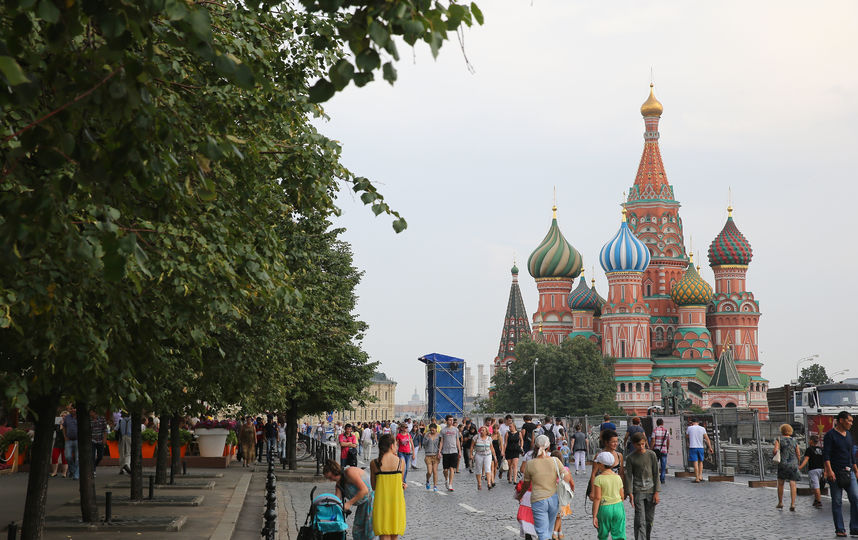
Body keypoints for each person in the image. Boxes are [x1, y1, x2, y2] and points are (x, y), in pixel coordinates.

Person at [523, 435, 573, 540]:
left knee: (542, 532)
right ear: (549, 447)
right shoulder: (555, 461)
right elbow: (567, 478)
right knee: (549, 530)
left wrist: (520, 495)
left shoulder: (530, 464)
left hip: (538, 499)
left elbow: (526, 485)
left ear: (535, 447)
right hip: (553, 499)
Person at [823, 411, 858, 537]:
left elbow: (851, 453)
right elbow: (826, 455)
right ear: (841, 420)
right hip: (835, 472)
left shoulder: (848, 435)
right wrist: (829, 470)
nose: (851, 423)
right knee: (837, 501)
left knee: (855, 498)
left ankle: (855, 527)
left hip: (849, 471)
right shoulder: (830, 435)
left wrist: (855, 467)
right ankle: (840, 529)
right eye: (849, 421)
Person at [324, 459, 374, 540]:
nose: (330, 480)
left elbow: (364, 490)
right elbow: (336, 500)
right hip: (363, 504)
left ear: (335, 472)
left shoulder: (350, 472)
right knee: (358, 530)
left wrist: (349, 503)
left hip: (372, 501)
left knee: (370, 530)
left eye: (330, 477)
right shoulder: (339, 483)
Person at [625, 432, 660, 540]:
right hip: (638, 490)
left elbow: (656, 473)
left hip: (651, 490)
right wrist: (629, 492)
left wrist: (656, 492)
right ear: (634, 444)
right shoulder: (630, 458)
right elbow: (628, 476)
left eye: (643, 444)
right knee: (640, 519)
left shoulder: (651, 455)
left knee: (649, 520)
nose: (641, 446)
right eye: (638, 445)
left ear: (645, 442)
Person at [370, 434, 406, 539]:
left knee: (384, 533)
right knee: (395, 533)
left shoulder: (374, 463)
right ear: (391, 446)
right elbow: (400, 482)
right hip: (396, 502)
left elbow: (374, 486)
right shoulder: (401, 462)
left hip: (381, 503)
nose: (397, 447)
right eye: (396, 444)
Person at [592, 451, 626, 540]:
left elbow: (597, 498)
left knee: (603, 535)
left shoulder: (598, 479)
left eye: (598, 463)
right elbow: (622, 496)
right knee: (619, 534)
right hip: (618, 507)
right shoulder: (618, 477)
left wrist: (594, 516)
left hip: (605, 508)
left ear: (601, 465)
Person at [773, 423, 801, 511]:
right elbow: (798, 453)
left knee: (781, 483)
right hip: (793, 464)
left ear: (782, 431)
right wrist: (798, 462)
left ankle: (780, 502)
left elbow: (775, 451)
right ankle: (792, 504)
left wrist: (777, 453)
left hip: (783, 463)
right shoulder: (794, 440)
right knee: (793, 484)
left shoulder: (779, 439)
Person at [551, 449, 572, 539]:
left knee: (557, 514)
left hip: (552, 493)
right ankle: (555, 533)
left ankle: (560, 532)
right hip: (562, 494)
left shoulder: (550, 469)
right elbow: (571, 482)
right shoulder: (565, 469)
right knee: (560, 515)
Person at [798, 434, 824, 508]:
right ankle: (816, 500)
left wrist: (800, 467)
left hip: (813, 469)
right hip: (821, 469)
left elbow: (806, 460)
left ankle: (819, 502)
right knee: (818, 485)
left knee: (816, 486)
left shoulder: (809, 449)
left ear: (811, 441)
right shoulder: (821, 449)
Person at [439, 415, 462, 491]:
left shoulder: (456, 430)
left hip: (454, 451)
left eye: (452, 420)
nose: (451, 421)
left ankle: (450, 484)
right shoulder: (443, 430)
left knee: (452, 468)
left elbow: (457, 440)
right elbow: (441, 441)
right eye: (449, 420)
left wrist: (459, 451)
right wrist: (439, 451)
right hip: (445, 451)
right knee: (445, 470)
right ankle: (446, 479)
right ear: (446, 421)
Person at [685, 418, 712, 483]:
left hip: (692, 447)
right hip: (700, 447)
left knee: (695, 462)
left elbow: (687, 436)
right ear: (698, 422)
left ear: (692, 422)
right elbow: (707, 439)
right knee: (700, 462)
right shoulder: (702, 428)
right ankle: (700, 476)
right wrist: (710, 447)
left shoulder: (689, 428)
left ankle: (697, 478)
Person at [471, 425, 497, 490]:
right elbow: (472, 446)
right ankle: (479, 483)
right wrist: (471, 454)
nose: (481, 432)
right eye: (481, 430)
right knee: (478, 469)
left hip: (488, 455)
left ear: (486, 432)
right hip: (479, 454)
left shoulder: (489, 438)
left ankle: (489, 483)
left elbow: (492, 448)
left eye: (483, 430)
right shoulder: (476, 437)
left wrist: (494, 456)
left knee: (488, 468)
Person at [648, 418, 669, 484]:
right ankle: (662, 478)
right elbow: (668, 441)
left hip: (656, 450)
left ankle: (655, 478)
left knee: (655, 465)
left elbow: (653, 441)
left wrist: (651, 449)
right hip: (664, 450)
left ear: (657, 423)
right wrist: (667, 448)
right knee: (663, 465)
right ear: (662, 423)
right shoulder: (666, 431)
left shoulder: (655, 431)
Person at [61, 406, 79, 480]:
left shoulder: (80, 417)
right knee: (68, 457)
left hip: (78, 440)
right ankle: (73, 470)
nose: (73, 410)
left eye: (74, 408)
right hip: (69, 440)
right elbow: (64, 427)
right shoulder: (67, 417)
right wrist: (65, 436)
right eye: (71, 409)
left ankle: (76, 474)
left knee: (78, 458)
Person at [422, 423, 441, 491]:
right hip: (428, 455)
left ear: (436, 429)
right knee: (429, 472)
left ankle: (435, 486)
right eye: (431, 430)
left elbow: (440, 444)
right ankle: (427, 480)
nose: (432, 431)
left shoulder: (439, 435)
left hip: (436, 455)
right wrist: (428, 438)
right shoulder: (427, 435)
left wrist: (440, 452)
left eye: (433, 430)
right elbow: (424, 444)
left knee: (435, 471)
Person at [50, 412, 68, 478]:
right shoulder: (57, 425)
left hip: (65, 444)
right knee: (54, 457)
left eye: (65, 416)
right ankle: (54, 472)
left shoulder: (68, 425)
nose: (63, 417)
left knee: (64, 459)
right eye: (62, 416)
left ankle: (64, 473)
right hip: (57, 443)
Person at [116, 410, 132, 475]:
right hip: (129, 437)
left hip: (122, 438)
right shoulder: (132, 421)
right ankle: (126, 465)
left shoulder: (120, 421)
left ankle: (121, 469)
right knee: (128, 452)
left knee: (121, 453)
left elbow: (116, 429)